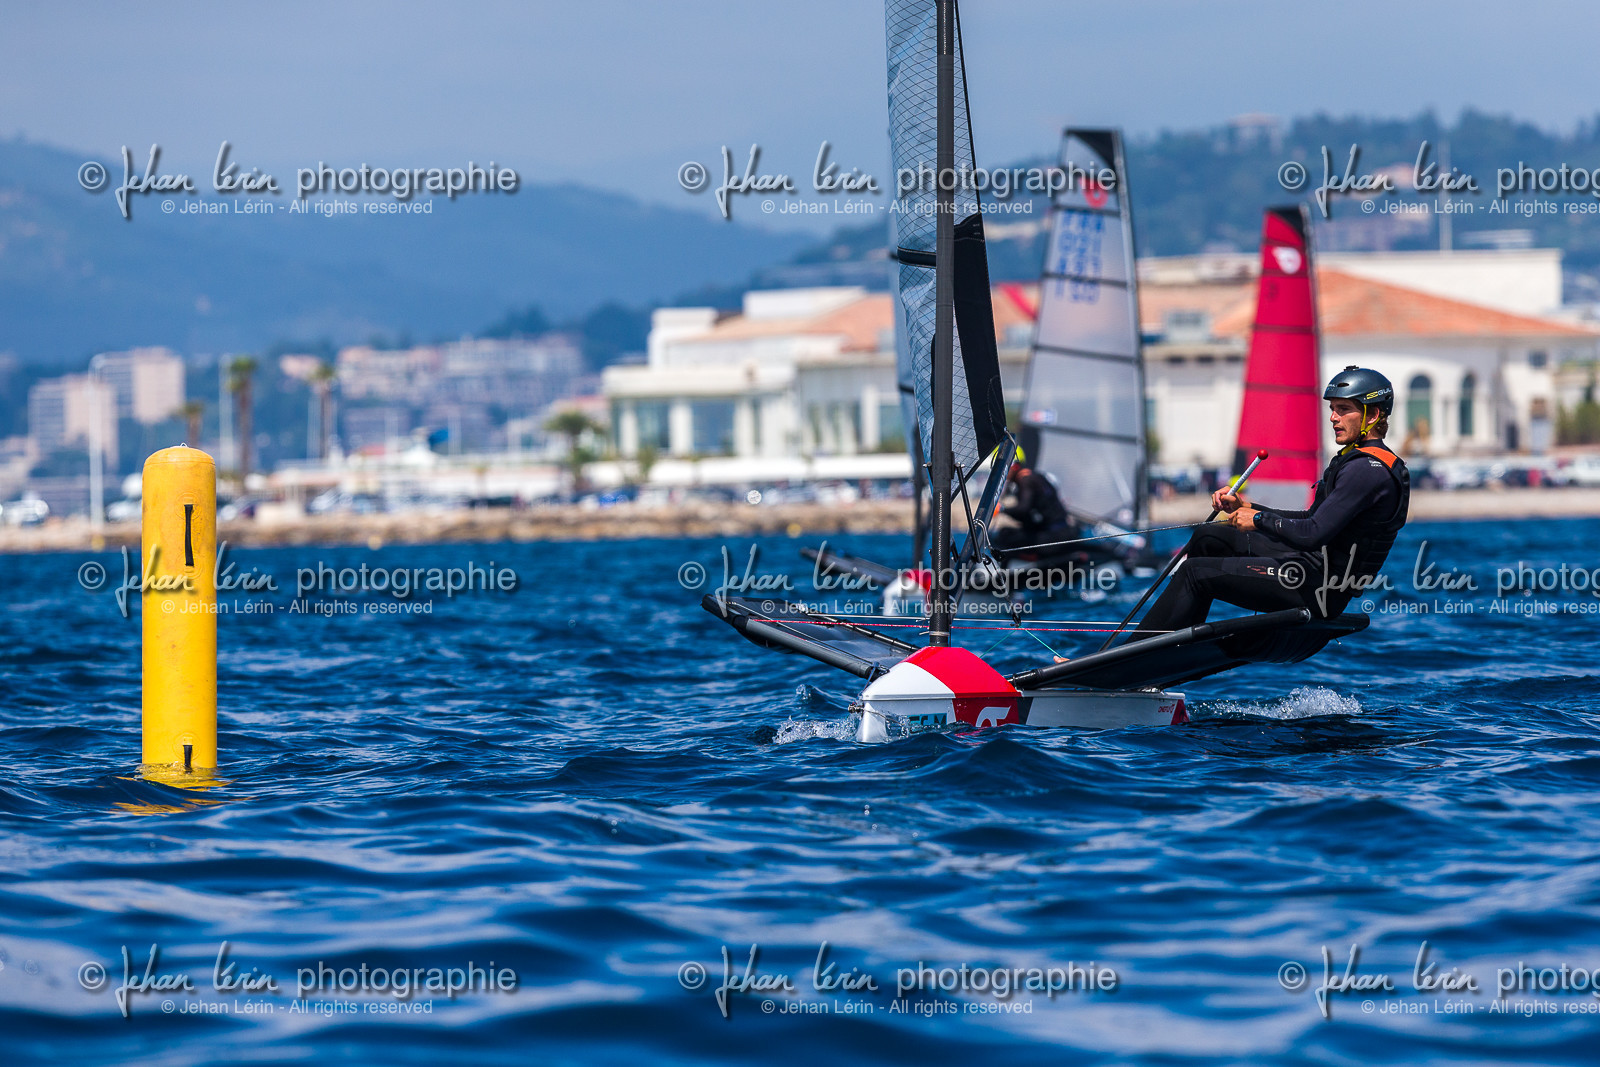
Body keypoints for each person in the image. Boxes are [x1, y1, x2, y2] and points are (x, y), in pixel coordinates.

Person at [1134, 366, 1410, 638]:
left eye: (1343, 409)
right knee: (1209, 536)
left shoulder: (1366, 471)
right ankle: (1174, 636)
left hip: (1318, 588)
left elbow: (1313, 534)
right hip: (1309, 568)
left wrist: (1256, 521)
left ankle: (1138, 655)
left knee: (1196, 573)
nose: (1333, 418)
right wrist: (1247, 508)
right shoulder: (1357, 461)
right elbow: (1310, 519)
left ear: (1372, 415)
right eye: (1332, 409)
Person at [992, 451, 1081, 553]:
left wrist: (1001, 509)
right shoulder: (1034, 476)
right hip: (1057, 531)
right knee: (1008, 533)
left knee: (1004, 536)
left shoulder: (1026, 480)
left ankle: (1002, 568)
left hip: (1052, 535)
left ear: (1015, 466)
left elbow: (1023, 509)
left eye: (1004, 467)